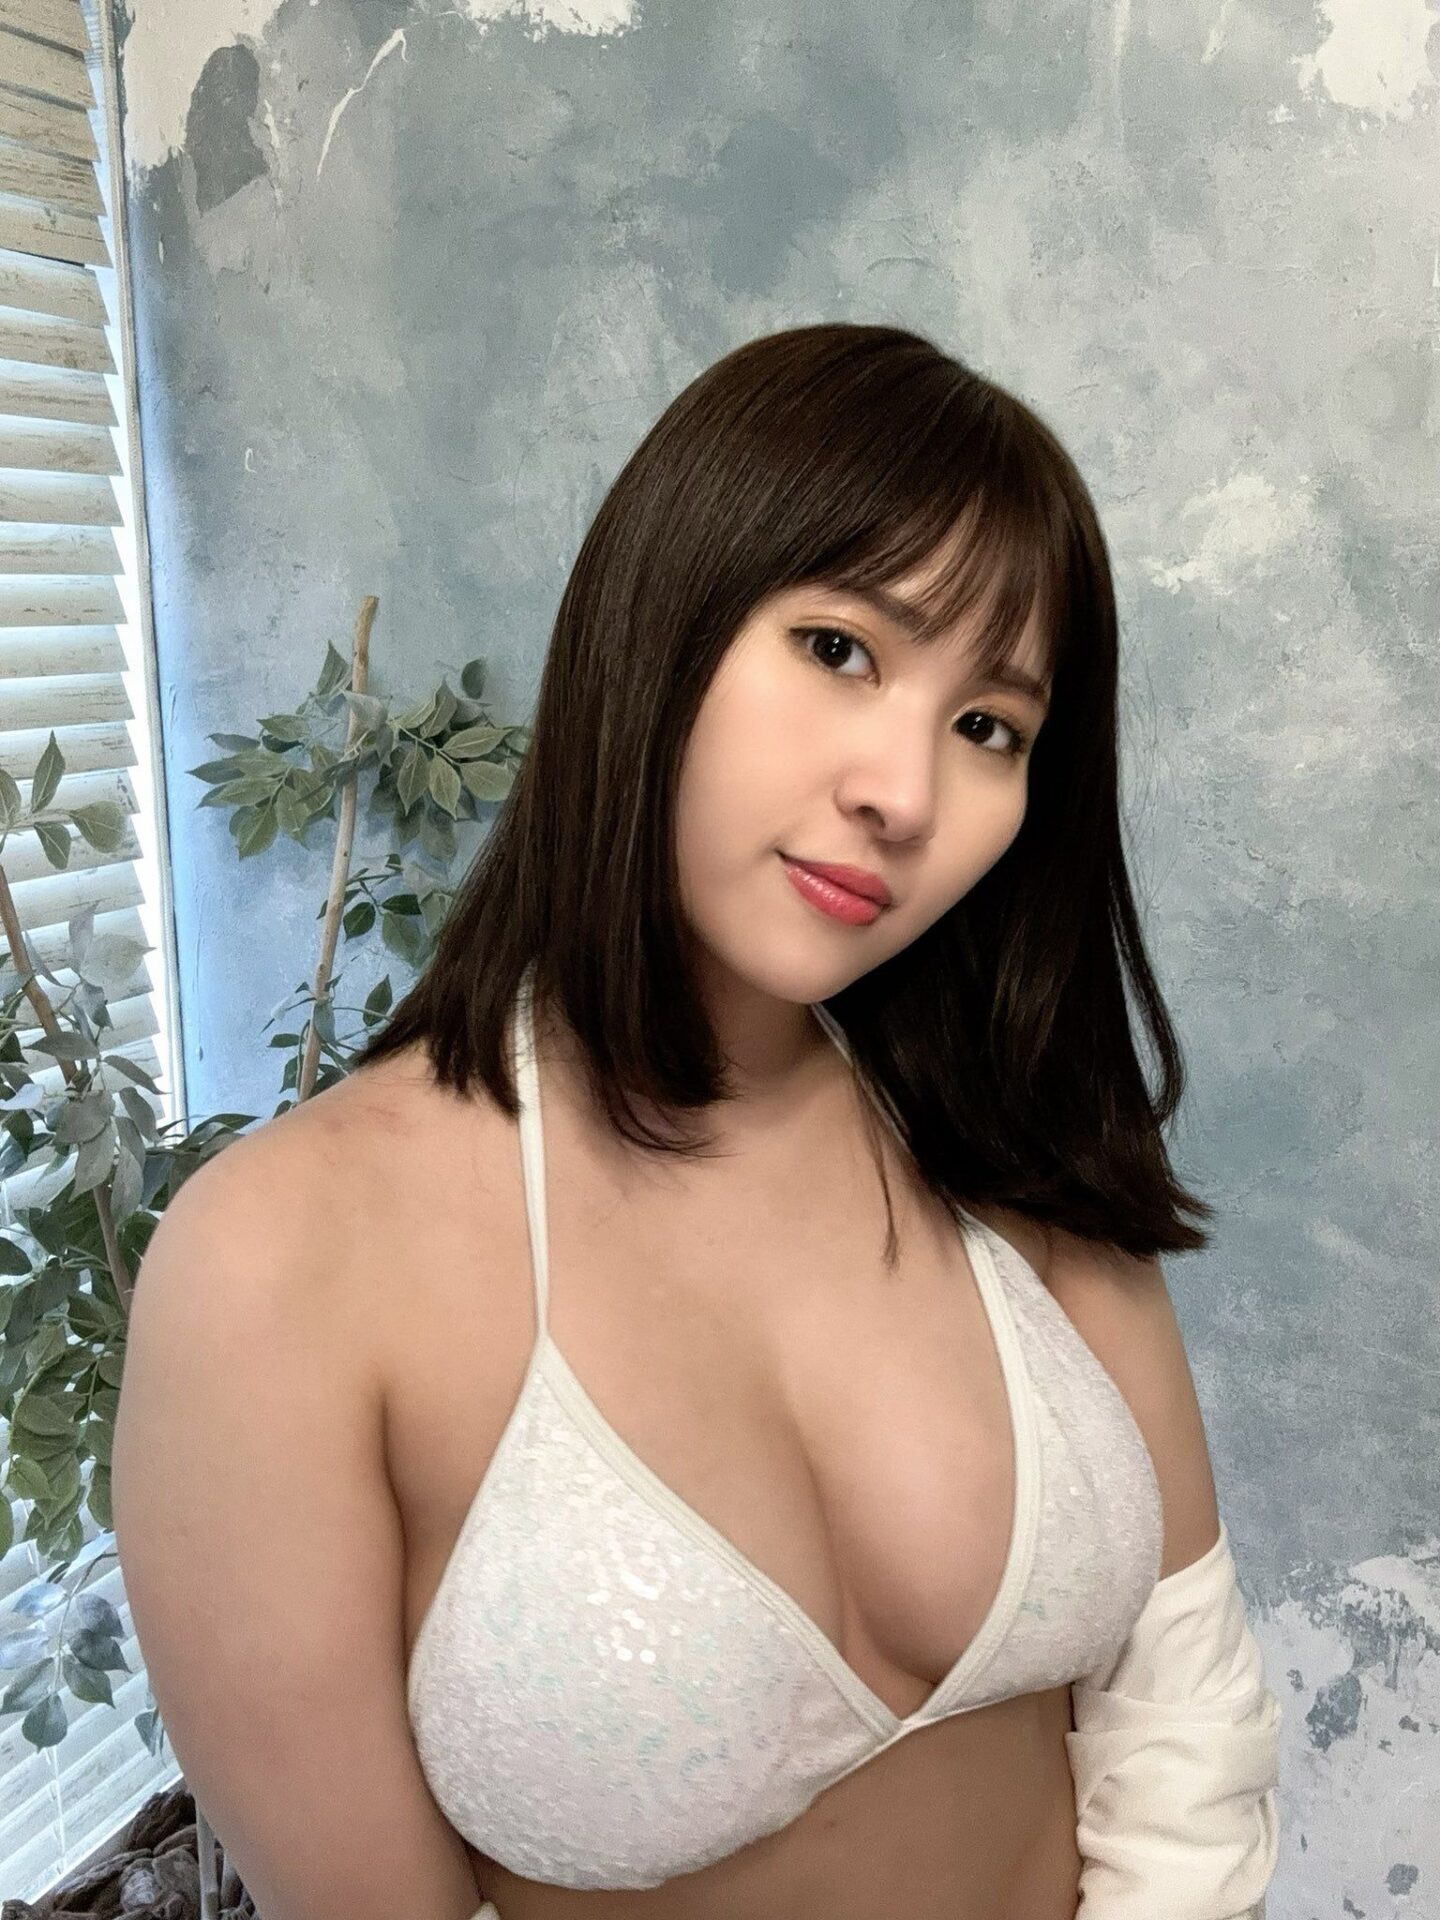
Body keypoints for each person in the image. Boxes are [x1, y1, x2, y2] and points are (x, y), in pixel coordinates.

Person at [112, 322, 1279, 1920]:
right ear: (657, 622)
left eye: (989, 726)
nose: (906, 795)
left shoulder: (1006, 1142)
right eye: (842, 649)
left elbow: (1185, 1731)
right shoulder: (283, 1262)